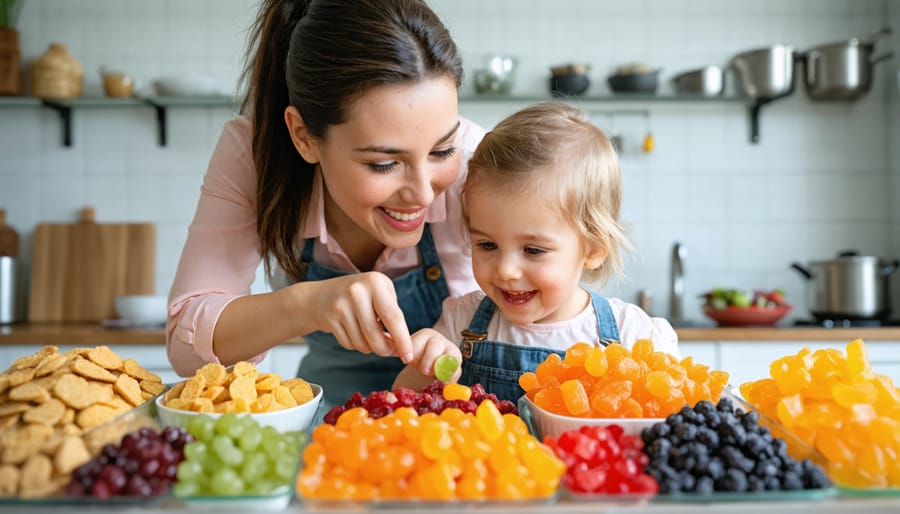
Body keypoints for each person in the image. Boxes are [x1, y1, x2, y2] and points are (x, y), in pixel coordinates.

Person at [166, 0, 486, 408]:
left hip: (459, 414)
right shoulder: (255, 154)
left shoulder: (479, 160)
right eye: (384, 163)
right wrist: (308, 304)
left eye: (442, 151)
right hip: (333, 412)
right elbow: (184, 348)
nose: (423, 193)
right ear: (302, 136)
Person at [394, 102, 679, 402]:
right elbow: (404, 401)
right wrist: (426, 366)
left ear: (593, 248)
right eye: (487, 245)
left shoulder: (635, 337)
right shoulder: (459, 322)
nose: (506, 270)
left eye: (533, 250)